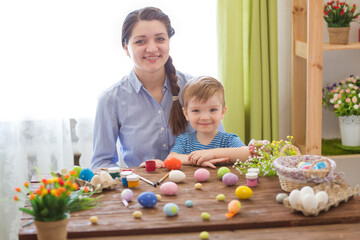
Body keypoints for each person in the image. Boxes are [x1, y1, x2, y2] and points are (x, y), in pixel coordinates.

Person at [91, 7, 225, 170]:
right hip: (141, 189)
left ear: (169, 42)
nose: (152, 49)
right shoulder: (110, 100)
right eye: (140, 41)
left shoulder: (195, 87)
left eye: (160, 39)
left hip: (199, 185)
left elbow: (221, 146)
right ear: (126, 47)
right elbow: (101, 163)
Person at [167, 76, 251, 168]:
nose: (204, 117)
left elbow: (249, 154)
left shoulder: (228, 140)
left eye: (212, 110)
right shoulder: (184, 140)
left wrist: (212, 153)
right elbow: (171, 158)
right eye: (196, 110)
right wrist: (198, 160)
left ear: (222, 112)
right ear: (186, 114)